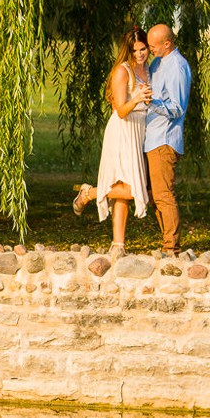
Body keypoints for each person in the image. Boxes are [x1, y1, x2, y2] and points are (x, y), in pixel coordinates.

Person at [71, 26, 153, 252]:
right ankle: (90, 193)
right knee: (131, 189)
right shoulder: (122, 71)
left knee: (123, 188)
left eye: (143, 49)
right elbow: (121, 110)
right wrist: (136, 98)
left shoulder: (149, 68)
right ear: (128, 51)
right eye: (135, 50)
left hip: (140, 131)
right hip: (124, 131)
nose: (140, 54)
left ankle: (118, 244)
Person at [143, 23, 191, 255]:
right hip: (151, 137)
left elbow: (177, 107)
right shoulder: (158, 62)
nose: (150, 49)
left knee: (163, 194)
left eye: (153, 46)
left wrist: (150, 103)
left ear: (167, 44)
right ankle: (167, 242)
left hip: (164, 139)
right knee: (153, 195)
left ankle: (172, 247)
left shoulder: (177, 67)